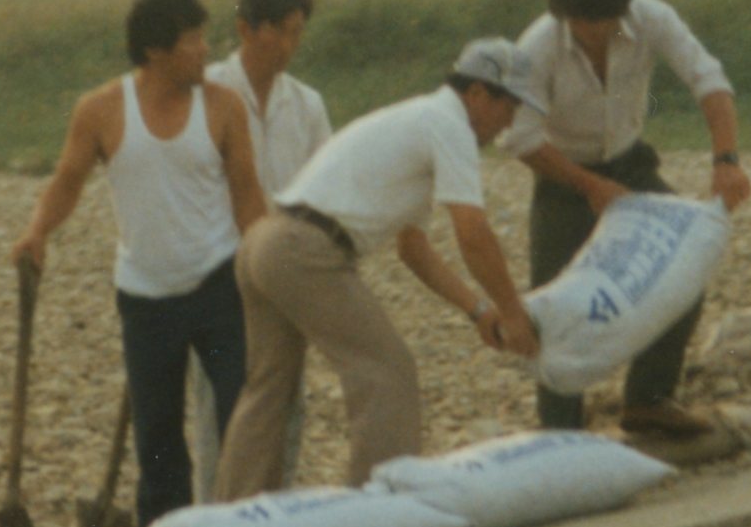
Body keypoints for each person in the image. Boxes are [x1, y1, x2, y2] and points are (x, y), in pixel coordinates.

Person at [213, 39, 540, 499]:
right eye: (510, 107)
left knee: (267, 390)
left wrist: (479, 310)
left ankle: (233, 517)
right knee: (388, 373)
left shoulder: (420, 118)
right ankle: (375, 514)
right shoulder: (450, 127)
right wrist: (513, 313)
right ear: (479, 95)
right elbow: (473, 231)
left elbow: (414, 249)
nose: (510, 122)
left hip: (265, 243)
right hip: (305, 250)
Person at [10, 0, 269, 527]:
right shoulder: (101, 110)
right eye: (193, 40)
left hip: (220, 282)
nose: (205, 50)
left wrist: (268, 266)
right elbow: (66, 183)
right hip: (145, 296)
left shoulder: (223, 106)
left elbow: (248, 196)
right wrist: (37, 232)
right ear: (155, 51)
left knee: (240, 414)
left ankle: (244, 526)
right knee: (156, 437)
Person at [508, 0, 751, 442]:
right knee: (553, 305)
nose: (589, 33)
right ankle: (560, 430)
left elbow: (709, 81)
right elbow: (521, 139)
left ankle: (648, 399)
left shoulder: (653, 19)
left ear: (621, 10)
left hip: (632, 164)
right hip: (561, 175)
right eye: (578, 22)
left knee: (681, 270)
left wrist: (726, 159)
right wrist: (589, 185)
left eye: (599, 22)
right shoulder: (537, 46)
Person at [189, 0, 335, 501]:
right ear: (249, 29)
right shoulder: (203, 93)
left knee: (286, 399)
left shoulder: (306, 104)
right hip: (218, 269)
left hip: (285, 268)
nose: (292, 45)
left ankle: (277, 512)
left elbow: (325, 188)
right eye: (285, 31)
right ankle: (214, 514)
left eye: (300, 32)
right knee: (219, 404)